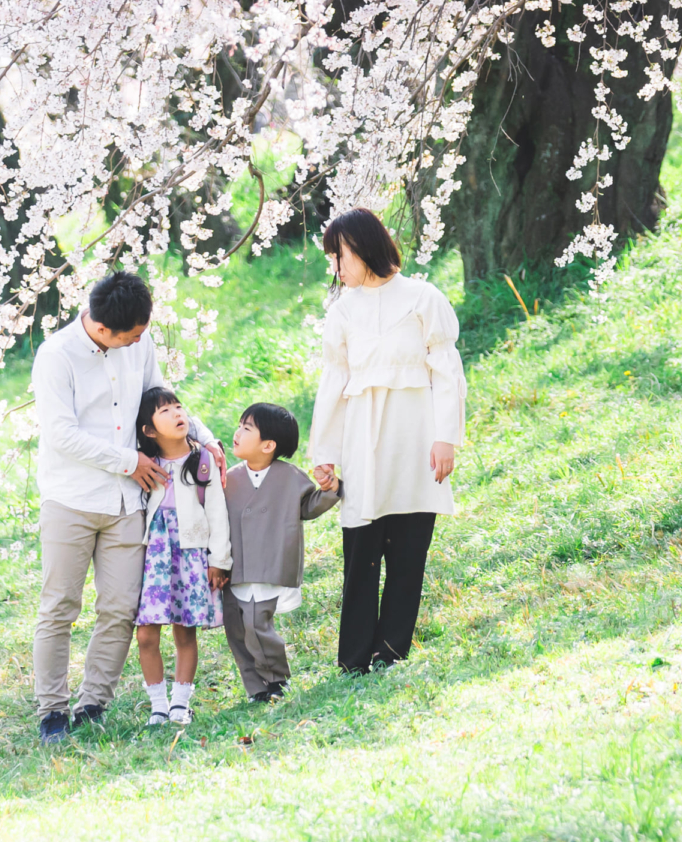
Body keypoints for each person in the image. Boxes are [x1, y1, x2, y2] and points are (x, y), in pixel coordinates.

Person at [309, 206, 467, 673]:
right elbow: (333, 384)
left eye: (338, 257)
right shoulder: (341, 312)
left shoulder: (422, 298)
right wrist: (325, 454)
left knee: (408, 551)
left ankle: (392, 649)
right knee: (360, 549)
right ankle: (354, 656)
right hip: (361, 441)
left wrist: (446, 438)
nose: (335, 269)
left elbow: (446, 369)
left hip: (416, 438)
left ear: (360, 247)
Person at [31, 270, 163, 743]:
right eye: (132, 336)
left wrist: (201, 441)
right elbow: (61, 434)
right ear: (103, 329)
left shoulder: (139, 342)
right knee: (59, 607)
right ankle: (52, 711)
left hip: (127, 503)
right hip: (71, 499)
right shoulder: (56, 356)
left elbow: (158, 401)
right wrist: (128, 461)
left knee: (120, 606)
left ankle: (93, 705)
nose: (139, 342)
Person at [218, 401, 345, 702]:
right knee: (237, 631)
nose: (237, 432)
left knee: (257, 625)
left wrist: (329, 489)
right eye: (239, 425)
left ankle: (277, 680)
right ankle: (256, 689)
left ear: (268, 445)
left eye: (247, 428)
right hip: (233, 568)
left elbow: (308, 507)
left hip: (269, 565)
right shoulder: (228, 479)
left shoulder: (291, 477)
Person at [131, 386, 230, 726]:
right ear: (148, 430)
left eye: (178, 406)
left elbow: (217, 513)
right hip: (155, 556)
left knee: (185, 631)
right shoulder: (145, 464)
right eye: (166, 411)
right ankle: (157, 705)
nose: (177, 414)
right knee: (146, 634)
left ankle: (180, 703)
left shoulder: (202, 460)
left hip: (189, 552)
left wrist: (220, 559)